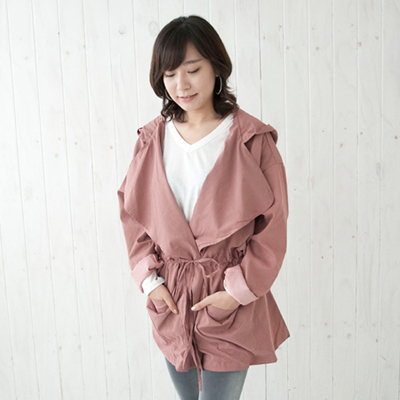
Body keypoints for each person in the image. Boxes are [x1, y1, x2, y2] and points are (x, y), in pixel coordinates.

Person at [118, 15, 289, 400]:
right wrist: (151, 281)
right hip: (172, 297)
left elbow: (273, 226)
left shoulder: (251, 140)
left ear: (216, 67)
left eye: (193, 70)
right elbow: (133, 214)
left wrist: (237, 291)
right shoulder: (152, 139)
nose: (181, 85)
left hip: (228, 295)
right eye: (170, 74)